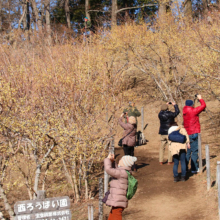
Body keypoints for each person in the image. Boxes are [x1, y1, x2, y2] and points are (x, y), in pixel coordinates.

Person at [104, 154, 137, 220]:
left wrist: (107, 159)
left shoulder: (122, 173)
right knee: (112, 215)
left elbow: (108, 170)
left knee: (116, 215)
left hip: (118, 200)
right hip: (118, 200)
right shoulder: (125, 172)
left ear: (124, 163)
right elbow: (116, 170)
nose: (119, 160)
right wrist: (112, 162)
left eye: (121, 160)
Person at [183, 94, 206, 173]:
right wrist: (200, 98)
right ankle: (194, 168)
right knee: (195, 151)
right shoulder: (192, 111)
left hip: (187, 133)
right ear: (192, 105)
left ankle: (184, 168)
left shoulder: (185, 111)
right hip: (194, 133)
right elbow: (203, 106)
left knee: (188, 152)